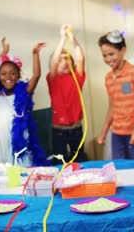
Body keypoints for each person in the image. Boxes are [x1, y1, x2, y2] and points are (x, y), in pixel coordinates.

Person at [0, 37, 49, 166]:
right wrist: (4, 51)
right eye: (3, 74)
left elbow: (36, 75)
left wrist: (35, 54)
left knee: (22, 169)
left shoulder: (24, 92)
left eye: (12, 73)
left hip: (19, 140)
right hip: (0, 140)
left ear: (19, 75)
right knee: (3, 172)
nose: (8, 77)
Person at [97, 30, 134, 159]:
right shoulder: (108, 78)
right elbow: (112, 107)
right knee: (119, 170)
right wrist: (104, 131)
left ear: (123, 50)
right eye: (104, 55)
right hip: (117, 134)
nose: (108, 59)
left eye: (111, 54)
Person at [46, 24, 87, 164]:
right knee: (60, 162)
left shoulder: (77, 77)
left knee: (80, 160)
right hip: (59, 131)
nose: (64, 61)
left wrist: (72, 38)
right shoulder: (53, 79)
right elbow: (54, 61)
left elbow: (81, 59)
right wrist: (62, 38)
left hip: (76, 129)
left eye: (68, 58)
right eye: (61, 59)